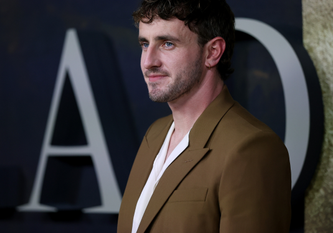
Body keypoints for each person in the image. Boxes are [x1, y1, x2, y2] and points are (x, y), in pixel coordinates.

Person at [117, 0, 291, 232]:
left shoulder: (252, 148)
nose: (149, 62)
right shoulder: (154, 135)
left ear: (212, 52)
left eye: (167, 44)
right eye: (144, 44)